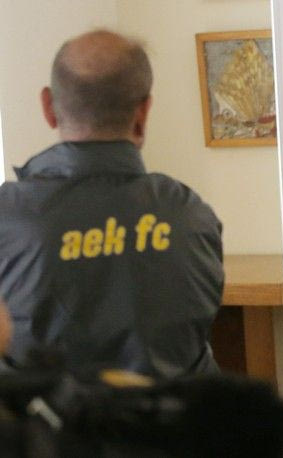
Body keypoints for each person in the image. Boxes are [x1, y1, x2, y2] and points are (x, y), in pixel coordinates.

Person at [0, 30, 224, 378]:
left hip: (39, 414)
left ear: (48, 107)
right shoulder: (190, 214)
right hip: (175, 413)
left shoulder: (8, 217)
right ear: (143, 112)